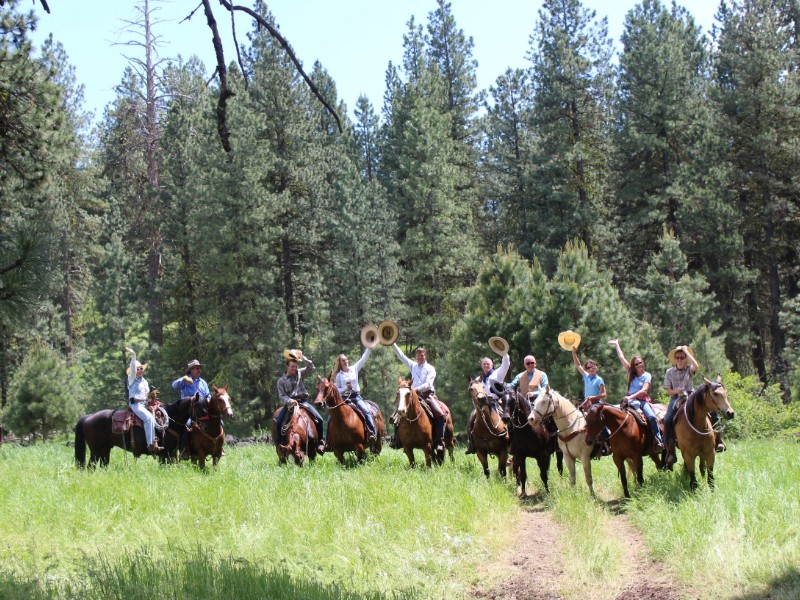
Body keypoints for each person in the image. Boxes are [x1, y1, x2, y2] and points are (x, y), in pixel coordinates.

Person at [608, 339, 664, 450]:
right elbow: (622, 358)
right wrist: (617, 345)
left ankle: (658, 439)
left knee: (652, 417)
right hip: (629, 401)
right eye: (636, 364)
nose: (639, 365)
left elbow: (644, 391)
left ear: (643, 363)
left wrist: (630, 397)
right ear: (634, 365)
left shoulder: (647, 375)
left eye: (640, 362)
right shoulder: (631, 373)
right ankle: (610, 442)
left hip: (642, 401)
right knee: (611, 414)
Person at [391, 344, 446, 451]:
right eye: (418, 355)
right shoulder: (413, 365)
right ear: (416, 357)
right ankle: (397, 440)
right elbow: (401, 356)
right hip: (412, 396)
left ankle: (440, 440)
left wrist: (416, 390)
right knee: (397, 414)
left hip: (427, 395)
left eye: (422, 355)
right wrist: (392, 343)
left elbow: (429, 384)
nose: (420, 357)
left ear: (425, 356)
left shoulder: (431, 368)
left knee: (439, 413)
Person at [663, 345, 707, 467]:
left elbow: (697, 366)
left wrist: (687, 352)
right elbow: (668, 390)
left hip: (691, 395)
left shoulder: (689, 369)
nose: (680, 359)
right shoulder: (669, 372)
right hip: (676, 397)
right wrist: (677, 391)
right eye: (677, 357)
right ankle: (670, 450)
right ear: (675, 359)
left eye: (682, 357)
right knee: (667, 420)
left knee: (710, 410)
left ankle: (717, 440)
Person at [275, 354, 325, 455]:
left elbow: (311, 367)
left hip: (303, 402)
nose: (294, 368)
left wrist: (302, 357)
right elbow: (282, 396)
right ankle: (279, 445)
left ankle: (321, 442)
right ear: (287, 366)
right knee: (278, 421)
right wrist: (290, 401)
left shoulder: (299, 373)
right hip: (290, 404)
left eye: (295, 366)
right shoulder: (281, 381)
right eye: (292, 366)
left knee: (319, 419)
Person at [465, 353, 510, 455]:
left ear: (492, 365)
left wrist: (505, 354)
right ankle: (471, 444)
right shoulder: (478, 378)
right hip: (481, 405)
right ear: (482, 366)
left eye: (488, 364)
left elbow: (506, 364)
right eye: (484, 364)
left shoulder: (498, 373)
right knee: (471, 421)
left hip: (495, 402)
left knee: (507, 417)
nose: (486, 366)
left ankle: (510, 440)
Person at [331, 348, 377, 443]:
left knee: (366, 411)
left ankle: (372, 433)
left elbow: (363, 359)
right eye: (343, 360)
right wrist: (346, 388)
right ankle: (329, 440)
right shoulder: (338, 375)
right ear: (340, 363)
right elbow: (336, 391)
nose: (345, 361)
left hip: (355, 396)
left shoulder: (354, 368)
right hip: (343, 398)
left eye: (346, 359)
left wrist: (369, 348)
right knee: (330, 417)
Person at [572, 347, 608, 456]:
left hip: (596, 404)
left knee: (601, 422)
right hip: (586, 404)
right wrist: (574, 352)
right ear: (587, 370)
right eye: (589, 367)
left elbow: (604, 394)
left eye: (593, 366)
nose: (591, 368)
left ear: (596, 367)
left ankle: (607, 441)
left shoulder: (599, 379)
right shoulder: (586, 376)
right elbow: (578, 365)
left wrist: (592, 398)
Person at [172, 359, 211, 459]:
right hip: (188, 410)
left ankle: (215, 447)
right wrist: (183, 379)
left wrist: (208, 401)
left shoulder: (203, 383)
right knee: (187, 424)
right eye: (197, 368)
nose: (199, 370)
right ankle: (184, 449)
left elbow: (208, 395)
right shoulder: (185, 380)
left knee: (217, 422)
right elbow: (174, 386)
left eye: (199, 368)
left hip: (201, 410)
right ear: (191, 370)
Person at [125, 347, 160, 454]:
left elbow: (146, 395)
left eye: (141, 368)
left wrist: (152, 395)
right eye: (137, 369)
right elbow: (132, 366)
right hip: (136, 405)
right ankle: (150, 444)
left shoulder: (145, 381)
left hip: (144, 404)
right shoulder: (131, 379)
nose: (140, 370)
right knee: (148, 418)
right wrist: (133, 355)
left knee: (159, 415)